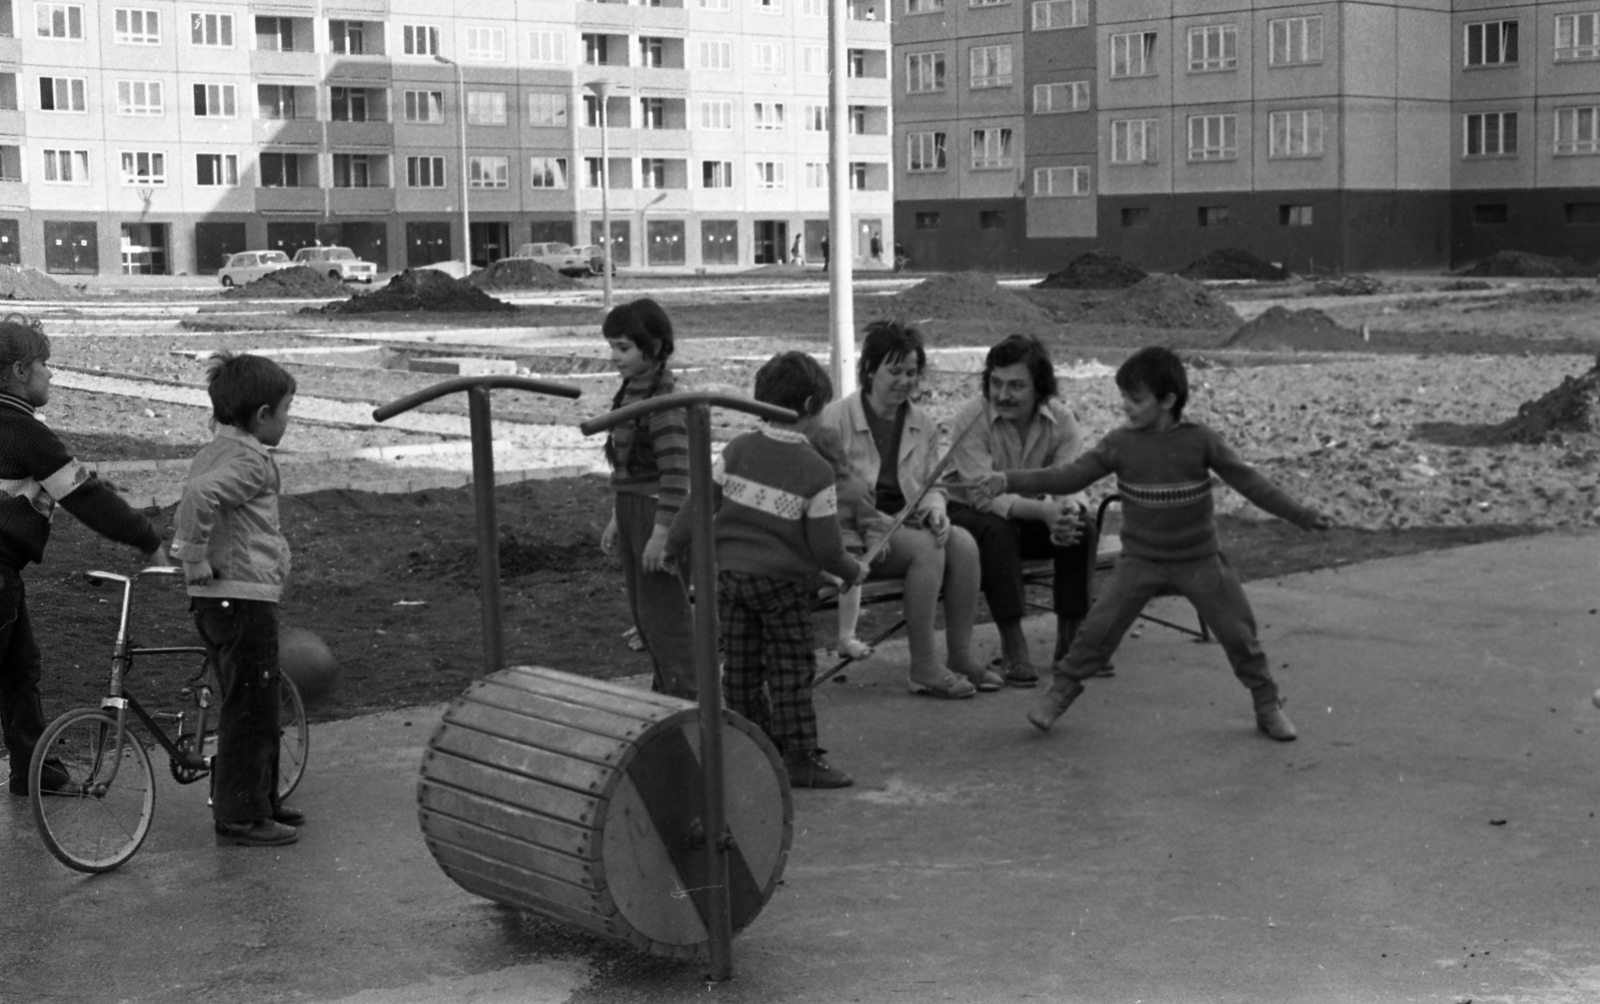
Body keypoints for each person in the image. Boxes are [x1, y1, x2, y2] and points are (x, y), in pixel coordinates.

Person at [974, 346, 1331, 738]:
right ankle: (1058, 696)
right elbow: (1069, 476)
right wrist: (1010, 479)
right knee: (1097, 632)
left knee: (1239, 635)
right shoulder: (1120, 444)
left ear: (1168, 400)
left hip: (1200, 561)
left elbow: (1251, 484)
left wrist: (1302, 515)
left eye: (1135, 398)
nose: (1125, 406)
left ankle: (1267, 703)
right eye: (1124, 396)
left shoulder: (1201, 442)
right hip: (1140, 562)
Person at [667, 352, 867, 788]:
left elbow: (701, 499)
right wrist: (852, 570)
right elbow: (827, 547)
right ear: (812, 405)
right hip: (782, 587)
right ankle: (798, 755)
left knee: (739, 666)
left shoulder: (738, 449)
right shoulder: (815, 470)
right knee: (790, 670)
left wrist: (672, 543)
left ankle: (747, 745)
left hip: (731, 579)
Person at [0, 316, 166, 797]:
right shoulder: (23, 431)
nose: (51, 375)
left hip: (5, 573)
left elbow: (71, 483)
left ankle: (36, 771)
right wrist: (146, 537)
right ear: (18, 371)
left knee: (19, 665)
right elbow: (84, 498)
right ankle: (36, 768)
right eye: (43, 366)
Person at [820, 320, 997, 699]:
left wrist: (935, 511)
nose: (904, 381)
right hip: (856, 534)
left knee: (962, 542)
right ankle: (923, 665)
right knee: (925, 549)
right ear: (869, 369)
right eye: (894, 370)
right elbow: (828, 490)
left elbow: (932, 484)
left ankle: (961, 656)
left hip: (903, 522)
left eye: (911, 372)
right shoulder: (836, 419)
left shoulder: (922, 423)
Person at [172, 352, 302, 847]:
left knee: (254, 701)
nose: (288, 421)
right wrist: (194, 558)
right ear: (263, 414)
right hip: (241, 597)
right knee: (250, 709)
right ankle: (241, 815)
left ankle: (262, 800)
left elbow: (202, 491)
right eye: (287, 411)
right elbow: (200, 497)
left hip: (224, 602)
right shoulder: (250, 461)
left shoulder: (213, 451)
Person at [945, 334, 1099, 688]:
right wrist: (1045, 512)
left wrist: (1064, 513)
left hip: (1030, 515)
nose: (1003, 395)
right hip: (971, 516)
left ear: (1039, 388)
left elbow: (1071, 481)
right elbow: (984, 496)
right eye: (996, 383)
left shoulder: (1062, 421)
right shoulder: (971, 418)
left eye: (1016, 386)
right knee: (999, 530)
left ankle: (1070, 644)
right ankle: (1013, 645)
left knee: (1082, 527)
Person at [598, 298, 697, 699]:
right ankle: (667, 690)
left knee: (665, 618)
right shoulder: (630, 394)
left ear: (653, 348)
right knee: (645, 616)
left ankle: (689, 697)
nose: (614, 357)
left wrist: (661, 536)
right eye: (612, 346)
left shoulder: (665, 404)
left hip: (660, 514)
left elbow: (676, 474)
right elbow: (626, 469)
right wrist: (617, 518)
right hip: (634, 510)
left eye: (623, 348)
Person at [809, 425, 893, 661]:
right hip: (813, 557)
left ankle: (846, 638)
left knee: (850, 576)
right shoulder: (802, 486)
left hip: (843, 557)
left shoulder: (854, 489)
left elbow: (872, 523)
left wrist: (877, 547)